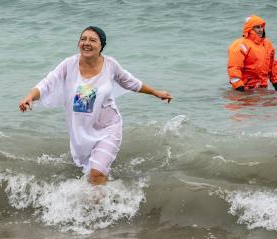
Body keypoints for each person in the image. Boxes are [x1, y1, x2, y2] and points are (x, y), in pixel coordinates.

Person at [19, 26, 173, 185]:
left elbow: (130, 82)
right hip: (82, 130)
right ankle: (106, 195)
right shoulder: (69, 65)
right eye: (83, 39)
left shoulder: (110, 65)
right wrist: (29, 97)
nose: (87, 43)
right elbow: (46, 84)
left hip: (108, 128)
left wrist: (155, 92)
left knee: (96, 173)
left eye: (92, 40)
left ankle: (101, 206)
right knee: (95, 174)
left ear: (101, 46)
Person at [227, 15, 277, 92]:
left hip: (262, 88)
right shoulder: (240, 44)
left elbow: (272, 65)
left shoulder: (267, 43)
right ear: (249, 29)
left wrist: (276, 82)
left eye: (261, 27)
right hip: (246, 89)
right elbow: (234, 68)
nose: (260, 30)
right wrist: (239, 88)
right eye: (257, 27)